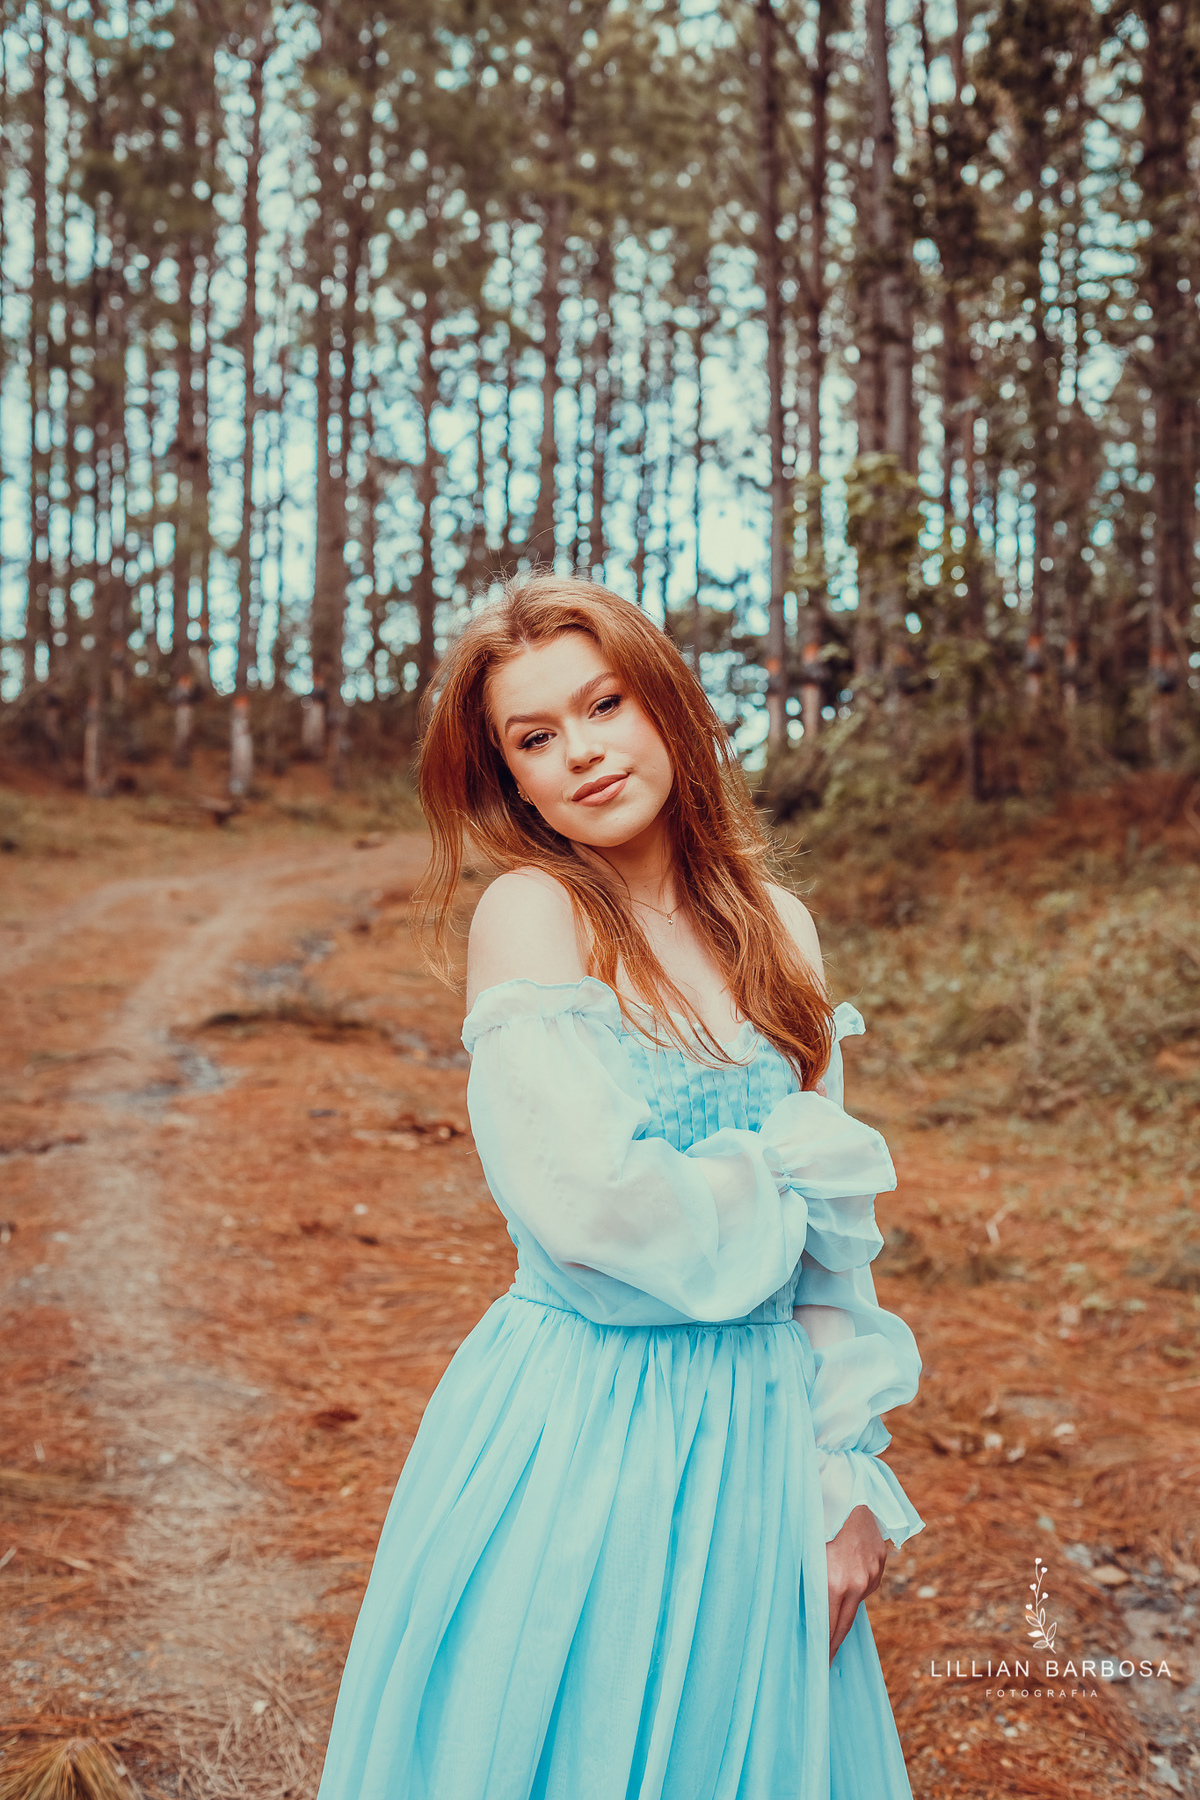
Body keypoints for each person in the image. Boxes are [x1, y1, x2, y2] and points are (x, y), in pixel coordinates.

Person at [315, 576, 924, 1800]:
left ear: (668, 708)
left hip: (761, 1437)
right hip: (581, 1426)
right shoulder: (533, 916)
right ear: (512, 781)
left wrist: (842, 1481)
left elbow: (833, 1258)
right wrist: (788, 1167)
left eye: (605, 705)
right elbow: (596, 1221)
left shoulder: (778, 928)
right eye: (535, 737)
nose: (582, 752)